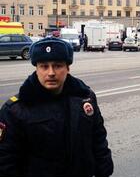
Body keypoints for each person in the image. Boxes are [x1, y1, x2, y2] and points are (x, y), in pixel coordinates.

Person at [0, 37, 113, 176]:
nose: (51, 72)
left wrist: (104, 169)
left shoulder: (84, 97)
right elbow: (5, 160)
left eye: (58, 65)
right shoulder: (15, 110)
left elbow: (98, 136)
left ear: (68, 68)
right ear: (36, 68)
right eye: (44, 66)